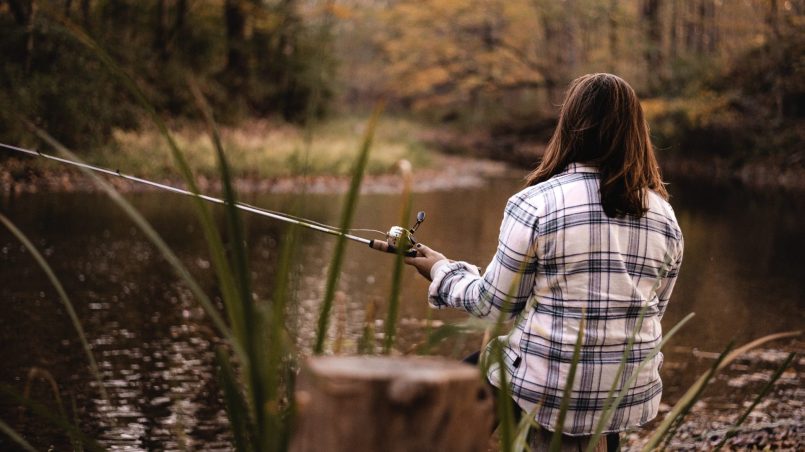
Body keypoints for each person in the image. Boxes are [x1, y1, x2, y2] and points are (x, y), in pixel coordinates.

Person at [404, 73, 684, 451]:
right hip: (627, 391)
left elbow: (494, 306)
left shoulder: (536, 203)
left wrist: (440, 270)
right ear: (636, 132)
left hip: (551, 390)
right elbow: (653, 310)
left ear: (570, 126)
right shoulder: (664, 215)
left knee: (469, 380)